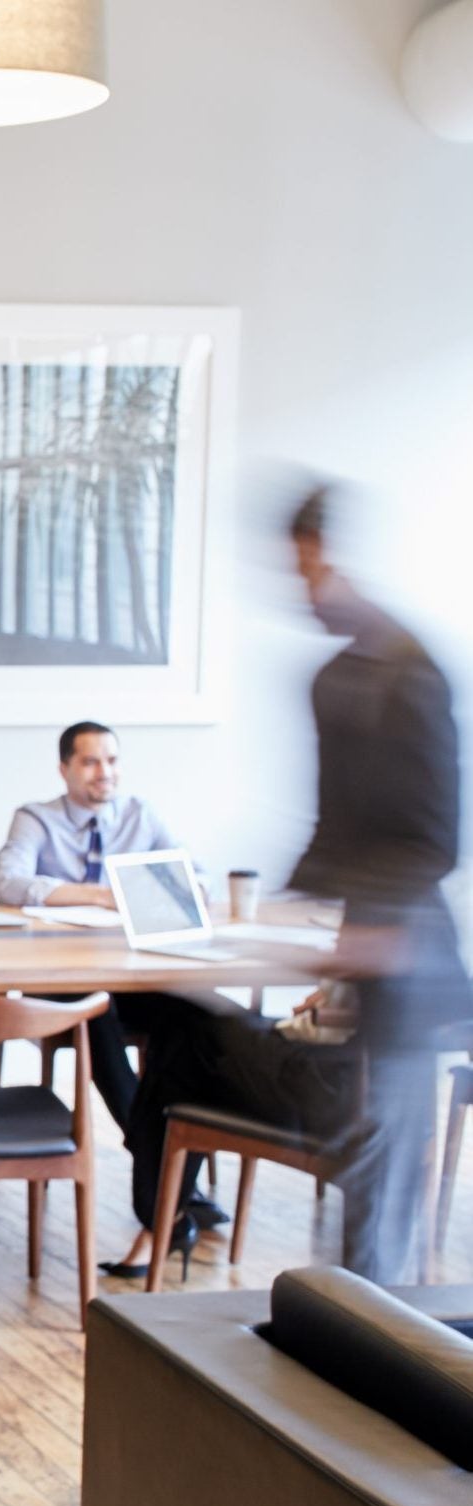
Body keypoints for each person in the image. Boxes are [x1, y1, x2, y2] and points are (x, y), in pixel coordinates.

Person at [277, 484, 469, 1284]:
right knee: (362, 1144)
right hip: (363, 936)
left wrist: (374, 926)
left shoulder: (415, 674)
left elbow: (436, 837)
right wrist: (295, 909)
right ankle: (353, 1318)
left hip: (412, 946)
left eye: (314, 573)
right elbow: (332, 826)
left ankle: (372, 1328)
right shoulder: (329, 681)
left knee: (384, 1144)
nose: (307, 594)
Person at [0, 722, 206, 1156]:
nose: (103, 772)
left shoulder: (139, 815)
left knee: (191, 1011)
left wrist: (184, 888)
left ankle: (180, 1155)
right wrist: (100, 895)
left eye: (111, 760)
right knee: (97, 1011)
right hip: (58, 979)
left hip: (129, 975)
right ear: (64, 769)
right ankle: (156, 1157)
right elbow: (8, 884)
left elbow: (195, 878)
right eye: (90, 762)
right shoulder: (36, 818)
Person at [101, 986, 362, 1278]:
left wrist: (331, 999)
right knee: (184, 1016)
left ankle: (161, 1217)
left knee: (188, 1036)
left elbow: (376, 1006)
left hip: (326, 1080)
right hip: (317, 1053)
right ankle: (162, 1215)